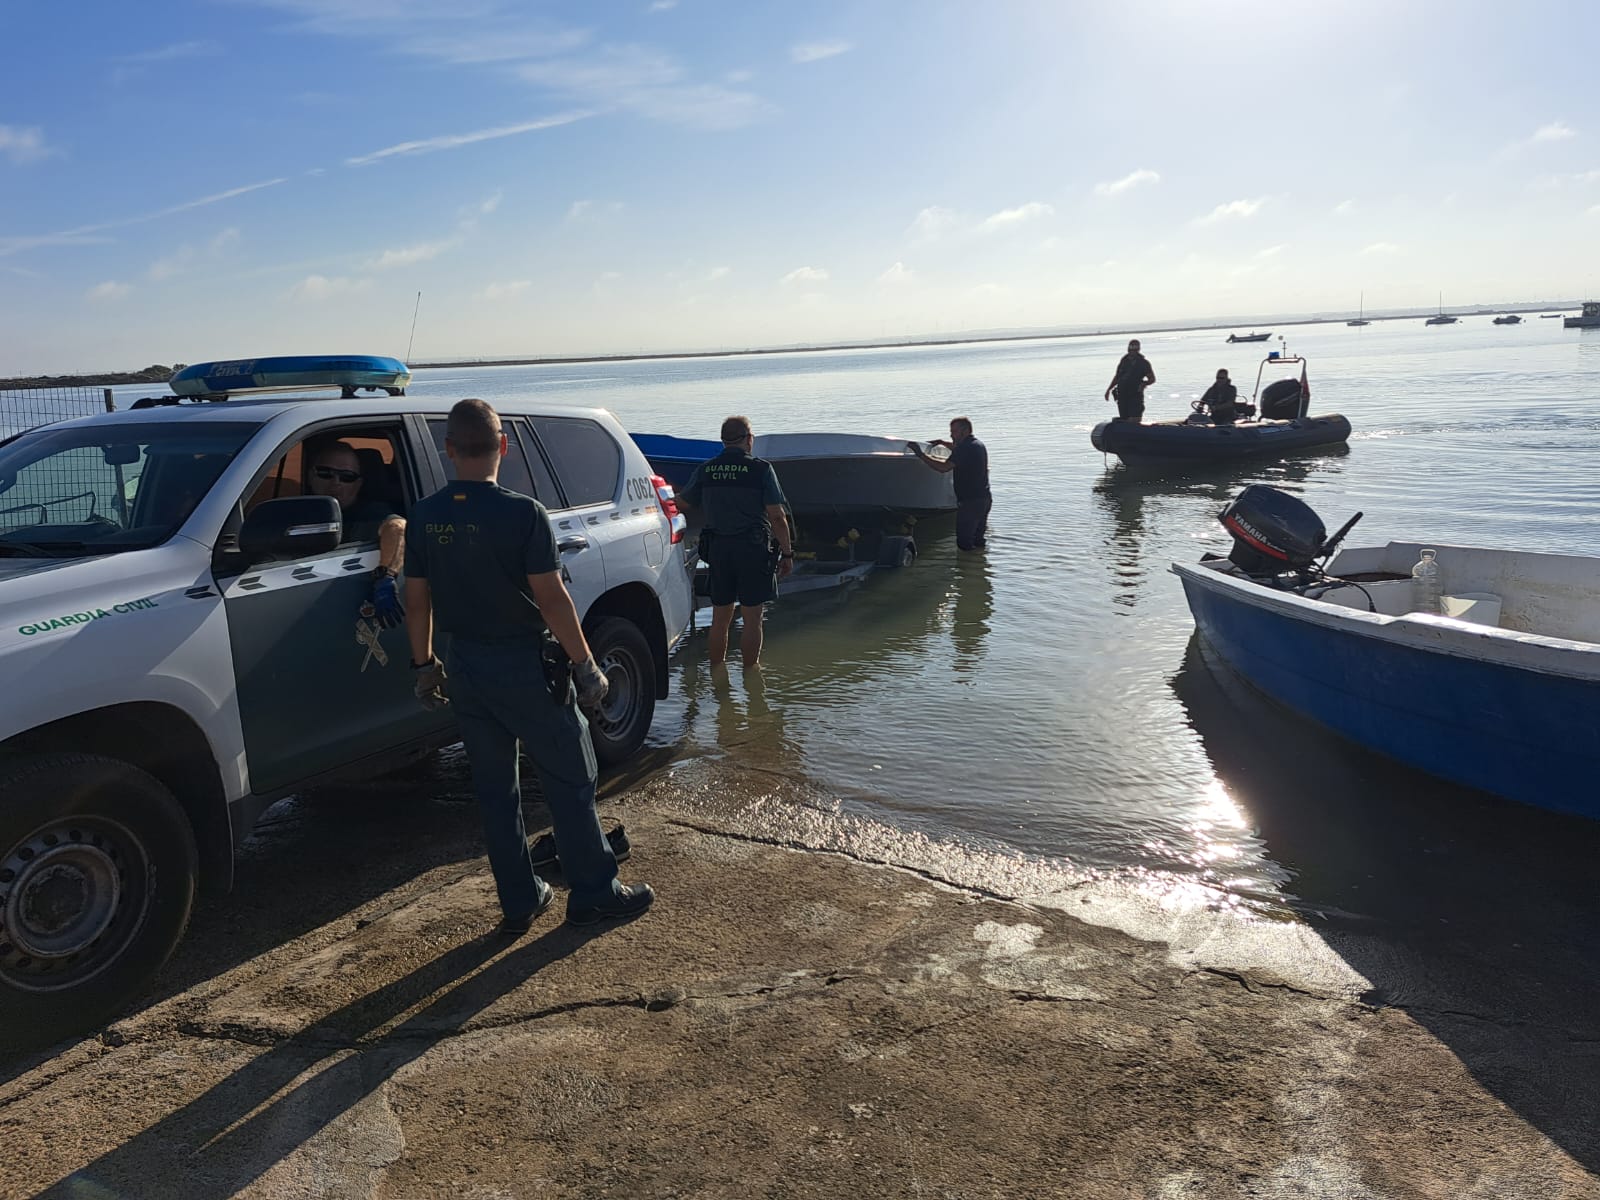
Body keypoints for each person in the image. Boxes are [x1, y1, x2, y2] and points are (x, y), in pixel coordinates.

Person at [403, 398, 653, 934]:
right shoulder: (522, 513)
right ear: (504, 447)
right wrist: (587, 666)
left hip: (465, 665)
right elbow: (553, 598)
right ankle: (594, 893)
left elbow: (417, 599)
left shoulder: (424, 516)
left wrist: (424, 664)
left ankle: (520, 899)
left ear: (449, 450)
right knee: (571, 775)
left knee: (495, 790)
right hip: (523, 666)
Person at [678, 415, 795, 669]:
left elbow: (684, 502)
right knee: (753, 618)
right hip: (752, 550)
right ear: (748, 439)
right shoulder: (760, 469)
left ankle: (717, 670)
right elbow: (777, 516)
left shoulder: (706, 469)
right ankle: (751, 674)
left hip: (719, 550)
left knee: (721, 617)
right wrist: (787, 553)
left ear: (723, 441)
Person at [305, 439, 407, 628]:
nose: (336, 483)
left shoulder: (369, 513)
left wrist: (386, 576)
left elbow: (398, 528)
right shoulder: (293, 510)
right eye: (325, 473)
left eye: (347, 477)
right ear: (311, 475)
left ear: (358, 484)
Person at [908, 416, 991, 551]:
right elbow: (958, 450)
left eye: (954, 432)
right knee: (978, 540)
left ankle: (966, 569)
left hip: (970, 503)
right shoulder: (977, 444)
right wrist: (943, 443)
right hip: (984, 500)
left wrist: (920, 454)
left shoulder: (964, 448)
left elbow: (943, 468)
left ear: (964, 431)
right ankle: (980, 567)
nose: (951, 435)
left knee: (964, 544)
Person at [1104, 339, 1156, 423]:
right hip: (1122, 394)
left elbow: (1152, 379)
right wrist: (1108, 390)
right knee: (1124, 418)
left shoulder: (1143, 363)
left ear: (1138, 349)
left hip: (1135, 394)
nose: (1132, 351)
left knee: (1134, 419)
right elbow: (1117, 377)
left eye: (1135, 348)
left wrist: (1144, 384)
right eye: (1131, 348)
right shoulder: (1124, 361)